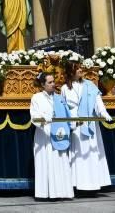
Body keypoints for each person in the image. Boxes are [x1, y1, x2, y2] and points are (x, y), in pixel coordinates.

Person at [61, 62, 112, 191]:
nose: (80, 70)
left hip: (89, 122)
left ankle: (93, 184)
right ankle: (79, 184)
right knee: (79, 154)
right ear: (70, 72)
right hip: (76, 124)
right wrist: (70, 121)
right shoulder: (65, 88)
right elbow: (64, 107)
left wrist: (103, 113)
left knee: (91, 152)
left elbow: (97, 102)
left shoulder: (89, 85)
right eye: (77, 69)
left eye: (80, 68)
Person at [31, 72, 74, 200]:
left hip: (59, 134)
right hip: (44, 135)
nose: (53, 84)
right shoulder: (36, 97)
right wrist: (45, 119)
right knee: (47, 162)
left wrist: (72, 123)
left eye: (53, 81)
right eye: (49, 82)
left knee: (60, 162)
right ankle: (46, 193)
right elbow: (34, 116)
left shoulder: (59, 97)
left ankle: (62, 192)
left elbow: (67, 114)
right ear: (43, 85)